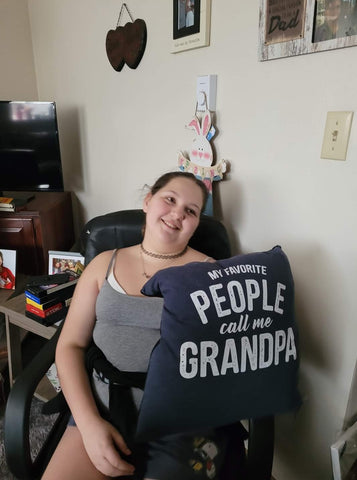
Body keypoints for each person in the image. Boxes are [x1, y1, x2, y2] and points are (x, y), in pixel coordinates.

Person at [41, 171, 242, 480]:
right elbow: (69, 345)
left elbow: (225, 358)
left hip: (178, 420)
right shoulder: (102, 263)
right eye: (170, 199)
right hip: (102, 405)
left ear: (197, 223)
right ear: (148, 202)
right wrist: (89, 423)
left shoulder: (211, 275)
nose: (177, 213)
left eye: (190, 210)